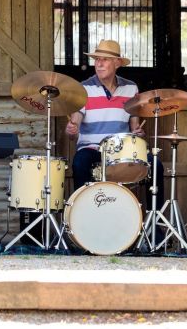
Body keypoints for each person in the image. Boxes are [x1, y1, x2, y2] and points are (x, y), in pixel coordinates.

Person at [65, 39, 164, 208]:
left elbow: (135, 128)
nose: (99, 64)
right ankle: (82, 217)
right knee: (79, 162)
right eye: (96, 59)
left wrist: (138, 133)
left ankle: (156, 226)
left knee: (155, 165)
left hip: (121, 151)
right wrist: (72, 130)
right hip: (92, 149)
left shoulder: (131, 88)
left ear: (117, 63)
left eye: (104, 59)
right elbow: (73, 131)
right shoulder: (84, 89)